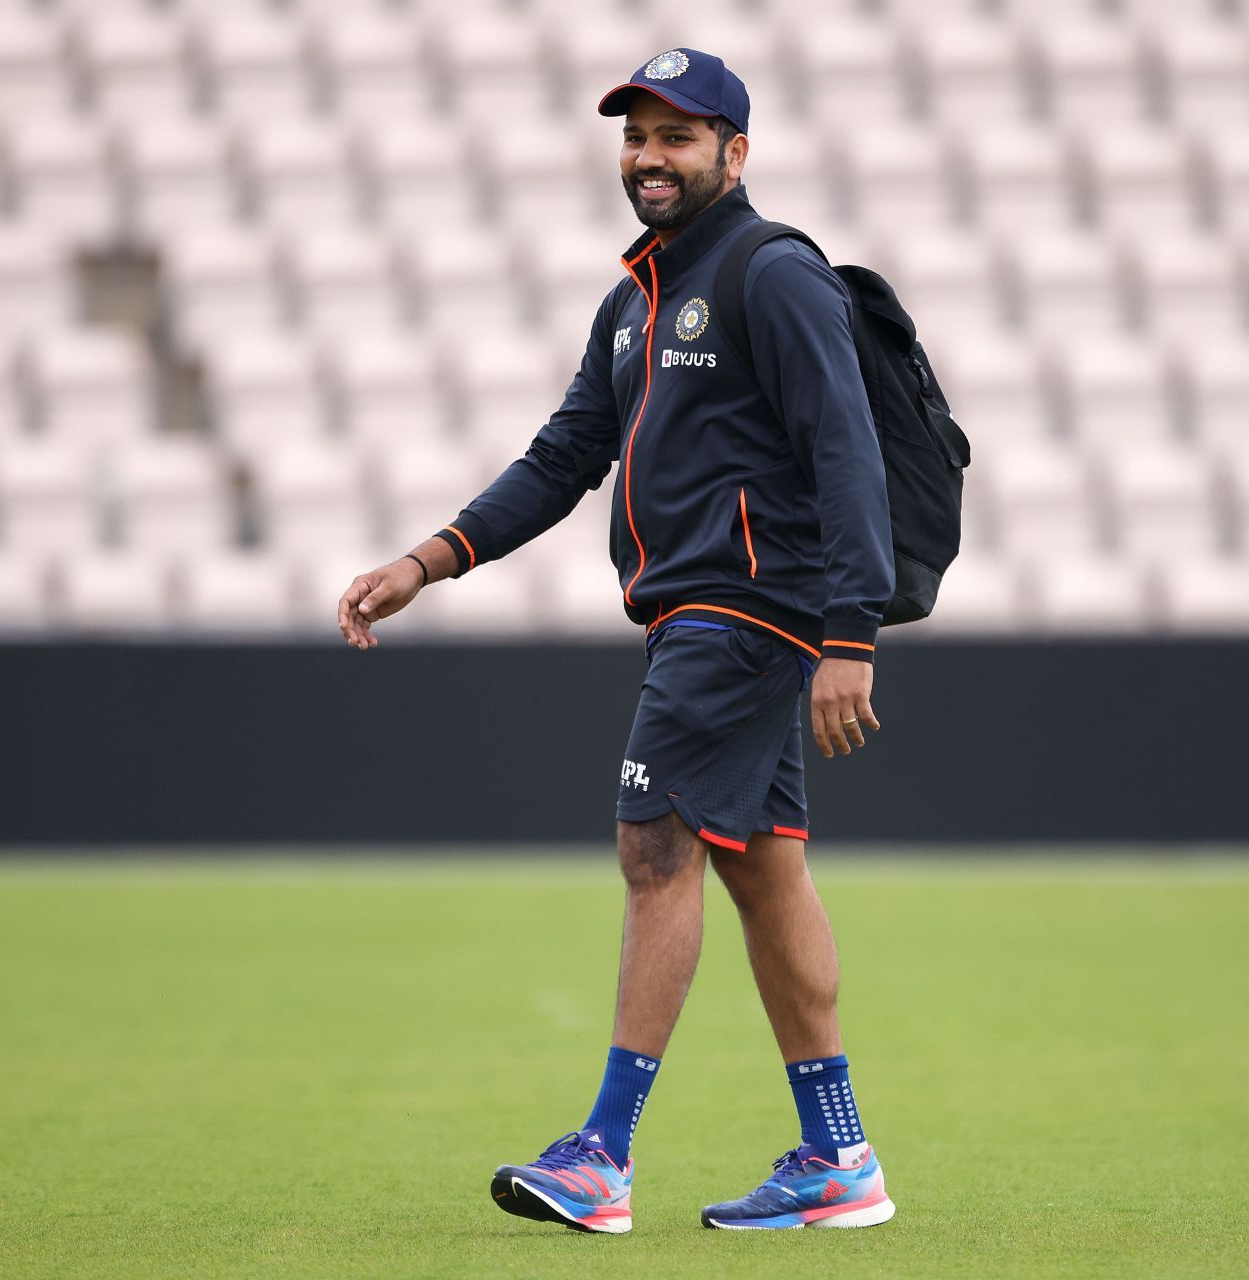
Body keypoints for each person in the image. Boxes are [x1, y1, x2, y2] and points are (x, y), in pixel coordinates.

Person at [336, 48, 897, 1234]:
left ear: (734, 154)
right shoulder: (632, 303)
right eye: (635, 133)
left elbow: (846, 445)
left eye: (678, 135)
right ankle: (840, 1155)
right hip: (707, 615)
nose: (649, 154)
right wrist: (426, 560)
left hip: (741, 610)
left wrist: (854, 630)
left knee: (656, 843)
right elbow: (562, 456)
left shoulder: (771, 269)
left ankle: (603, 1153)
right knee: (763, 866)